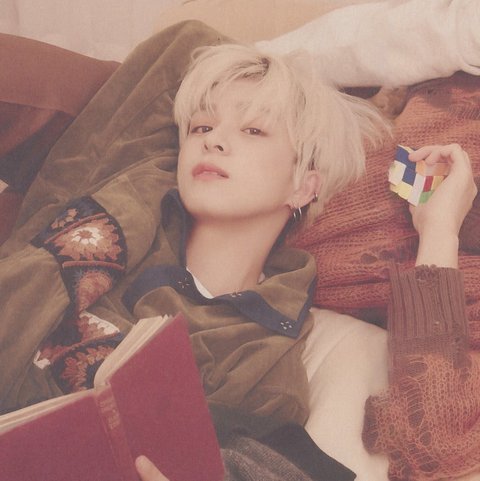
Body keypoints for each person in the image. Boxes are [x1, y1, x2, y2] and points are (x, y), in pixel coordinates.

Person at [0, 22, 478, 480]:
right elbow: (187, 45)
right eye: (200, 128)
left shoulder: (264, 363)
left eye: (254, 131)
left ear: (304, 185)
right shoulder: (134, 187)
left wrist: (438, 232)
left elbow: (432, 440)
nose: (215, 140)